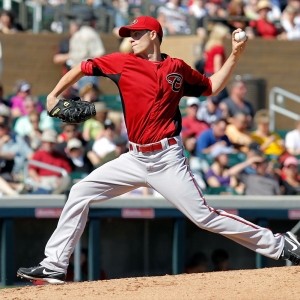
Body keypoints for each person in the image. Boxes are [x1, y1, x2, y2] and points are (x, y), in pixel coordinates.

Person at [17, 15, 300, 285]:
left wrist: (235, 54)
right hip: (133, 157)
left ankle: (280, 244)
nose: (131, 39)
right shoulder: (122, 63)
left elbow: (211, 86)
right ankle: (54, 264)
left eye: (136, 34)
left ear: (154, 35)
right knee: (80, 192)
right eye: (129, 35)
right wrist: (53, 95)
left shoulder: (176, 67)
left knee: (202, 216)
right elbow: (82, 66)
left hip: (167, 159)